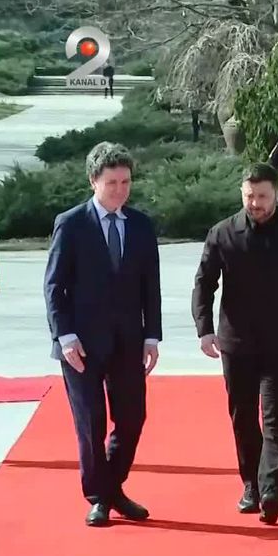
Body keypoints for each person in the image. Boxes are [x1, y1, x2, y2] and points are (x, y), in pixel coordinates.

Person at [191, 162, 278, 525]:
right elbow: (204, 284)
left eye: (263, 196)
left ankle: (272, 490)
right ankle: (251, 485)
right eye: (249, 196)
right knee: (242, 417)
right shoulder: (223, 233)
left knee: (274, 417)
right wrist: (204, 329)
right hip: (236, 343)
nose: (255, 203)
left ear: (277, 195)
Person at [44, 141, 161, 527]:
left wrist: (151, 336)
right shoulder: (71, 224)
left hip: (128, 340)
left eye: (126, 182)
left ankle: (111, 488)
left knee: (132, 418)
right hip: (80, 345)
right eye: (112, 183)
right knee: (91, 422)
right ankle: (99, 497)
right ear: (93, 181)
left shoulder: (141, 225)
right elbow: (54, 286)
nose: (120, 190)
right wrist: (64, 336)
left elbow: (150, 285)